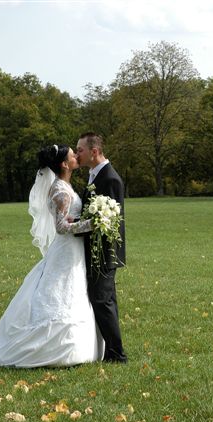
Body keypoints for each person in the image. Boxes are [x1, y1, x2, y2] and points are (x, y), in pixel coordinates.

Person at [0, 145, 103, 367]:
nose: (76, 156)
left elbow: (67, 220)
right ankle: (51, 347)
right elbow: (61, 227)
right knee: (62, 290)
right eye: (72, 155)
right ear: (64, 164)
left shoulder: (64, 186)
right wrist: (92, 224)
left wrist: (80, 221)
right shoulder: (60, 190)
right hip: (67, 249)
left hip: (72, 249)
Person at [76, 132, 128, 363]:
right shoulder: (94, 175)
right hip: (95, 250)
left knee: (102, 301)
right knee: (105, 300)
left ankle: (117, 354)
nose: (77, 154)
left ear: (94, 152)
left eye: (80, 150)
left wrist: (75, 228)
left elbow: (110, 221)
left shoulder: (110, 179)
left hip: (104, 251)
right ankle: (111, 351)